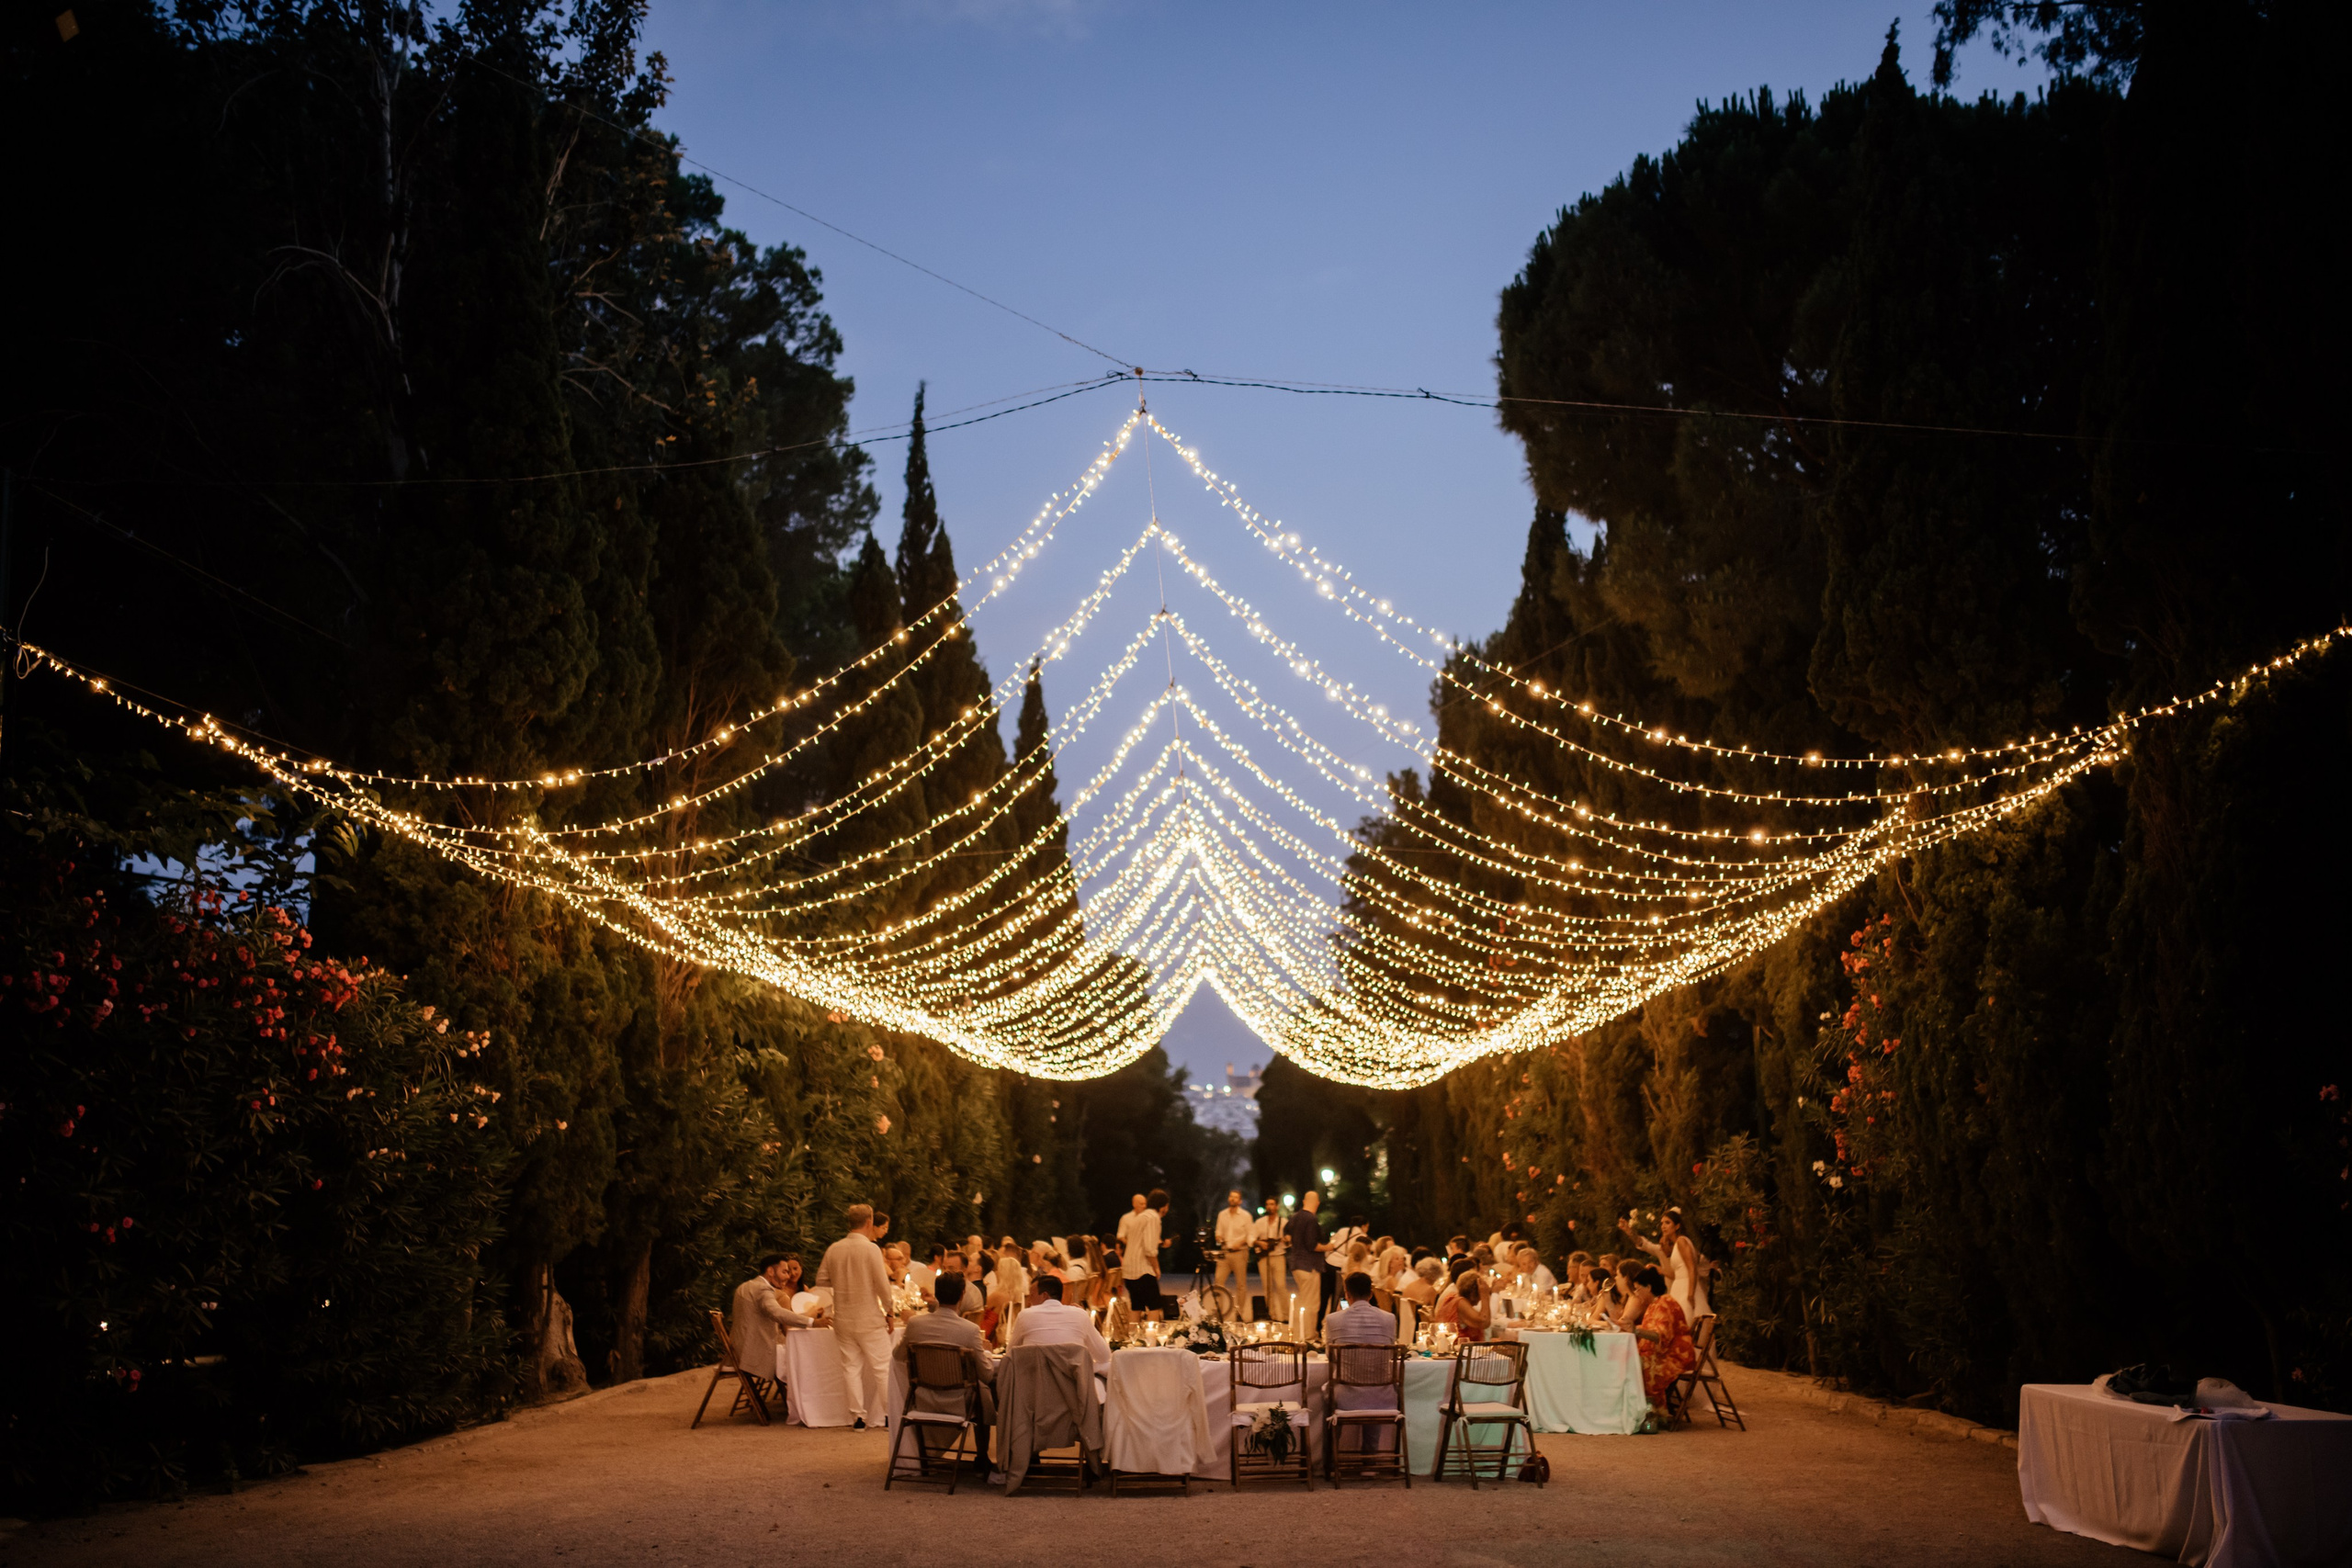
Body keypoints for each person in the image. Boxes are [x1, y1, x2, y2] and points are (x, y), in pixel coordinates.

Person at [894, 1272, 997, 1473]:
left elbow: (898, 1355)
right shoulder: (969, 1330)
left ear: (937, 1295)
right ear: (962, 1295)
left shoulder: (916, 1324)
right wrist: (986, 1352)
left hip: (922, 1398)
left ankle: (927, 1456)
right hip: (958, 1401)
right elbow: (986, 1375)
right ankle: (982, 1457)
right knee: (984, 1389)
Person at [815, 1203, 896, 1429]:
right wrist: (889, 1311)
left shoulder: (834, 1249)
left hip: (843, 1318)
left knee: (851, 1367)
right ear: (869, 1222)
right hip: (869, 1317)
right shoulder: (871, 1249)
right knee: (882, 1367)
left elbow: (821, 1280)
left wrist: (842, 1281)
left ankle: (858, 1418)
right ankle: (890, 1415)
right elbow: (882, 1286)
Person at [730, 1254, 828, 1389]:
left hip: (742, 1352)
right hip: (756, 1355)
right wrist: (813, 1322)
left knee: (804, 1357)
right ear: (770, 1271)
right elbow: (777, 1313)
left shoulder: (744, 1286)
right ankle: (806, 1403)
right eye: (785, 1271)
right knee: (811, 1360)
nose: (788, 1276)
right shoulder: (763, 1289)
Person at [1003, 1274, 1112, 1394]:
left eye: (1032, 1295)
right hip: (1074, 1392)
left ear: (1044, 1295)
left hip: (1034, 1393)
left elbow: (1010, 1353)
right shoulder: (1079, 1315)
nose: (1029, 1301)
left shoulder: (1025, 1315)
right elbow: (1104, 1356)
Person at [1621, 1208, 1709, 1324]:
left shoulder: (1682, 1241)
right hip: (1678, 1286)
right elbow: (1678, 1272)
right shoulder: (1676, 1245)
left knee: (1685, 1321)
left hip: (1686, 1288)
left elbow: (1692, 1268)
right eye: (1662, 1223)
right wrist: (1660, 1270)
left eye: (1667, 1223)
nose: (1663, 1226)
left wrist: (1691, 1294)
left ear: (1677, 1226)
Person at [1626, 1265, 1695, 1413]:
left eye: (1638, 1289)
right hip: (1660, 1353)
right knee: (1629, 1360)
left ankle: (1652, 1413)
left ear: (1649, 1287)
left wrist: (1635, 1330)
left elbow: (1660, 1335)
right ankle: (1637, 1410)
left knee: (1640, 1365)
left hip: (1674, 1356)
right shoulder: (1653, 1305)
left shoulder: (1664, 1303)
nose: (1636, 1294)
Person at [1116, 1191, 1163, 1318]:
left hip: (1129, 1268)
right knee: (1154, 1306)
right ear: (1163, 1206)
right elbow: (1149, 1249)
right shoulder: (1152, 1217)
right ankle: (1152, 1338)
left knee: (1136, 1306)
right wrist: (1156, 1268)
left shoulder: (1140, 1218)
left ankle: (1132, 1336)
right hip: (1142, 1269)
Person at [1285, 1190, 1326, 1332]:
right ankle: (1308, 1336)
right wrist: (1329, 1247)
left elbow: (1286, 1233)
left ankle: (1298, 1333)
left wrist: (1293, 1242)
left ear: (1304, 1201)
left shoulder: (1294, 1217)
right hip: (1309, 1266)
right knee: (1312, 1304)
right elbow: (1312, 1245)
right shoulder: (1311, 1219)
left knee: (1303, 1301)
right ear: (1317, 1203)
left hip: (1296, 1264)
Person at [1211, 1189, 1254, 1312]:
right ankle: (1218, 1311)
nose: (1232, 1199)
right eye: (1231, 1196)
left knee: (1240, 1284)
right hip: (1225, 1252)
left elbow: (1250, 1235)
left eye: (1235, 1197)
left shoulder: (1246, 1216)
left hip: (1240, 1252)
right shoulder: (1222, 1214)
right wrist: (1219, 1237)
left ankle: (1239, 1312)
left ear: (1240, 1201)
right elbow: (1218, 1231)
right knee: (1218, 1281)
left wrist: (1240, 1243)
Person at [1252, 1199, 1290, 1322]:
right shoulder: (1259, 1222)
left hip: (1278, 1255)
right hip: (1264, 1257)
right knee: (1267, 1287)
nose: (1270, 1206)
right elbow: (1251, 1237)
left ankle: (1286, 1315)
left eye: (1272, 1204)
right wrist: (1259, 1243)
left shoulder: (1283, 1222)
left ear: (1277, 1206)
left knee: (1280, 1286)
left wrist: (1287, 1240)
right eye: (1268, 1204)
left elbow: (1289, 1241)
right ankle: (1271, 1314)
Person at [984, 1251, 1026, 1345]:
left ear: (1003, 1273)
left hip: (991, 1336)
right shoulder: (1021, 1296)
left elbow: (980, 1313)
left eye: (998, 1269)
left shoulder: (998, 1296)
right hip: (1012, 1335)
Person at [1435, 1275, 1488, 1342]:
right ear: (1473, 1294)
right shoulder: (1460, 1302)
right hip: (1460, 1349)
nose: (1479, 1300)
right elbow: (1484, 1322)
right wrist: (1485, 1295)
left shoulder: (1454, 1298)